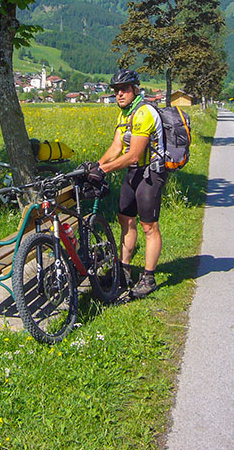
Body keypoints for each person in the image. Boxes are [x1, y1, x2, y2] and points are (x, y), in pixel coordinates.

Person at [88, 68, 166, 298]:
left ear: (134, 89)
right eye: (116, 91)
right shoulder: (124, 114)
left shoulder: (144, 113)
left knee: (148, 226)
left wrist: (104, 169)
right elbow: (116, 148)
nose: (119, 94)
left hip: (150, 173)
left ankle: (149, 277)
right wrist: (96, 166)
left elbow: (133, 154)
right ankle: (124, 271)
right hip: (133, 172)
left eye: (124, 89)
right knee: (125, 219)